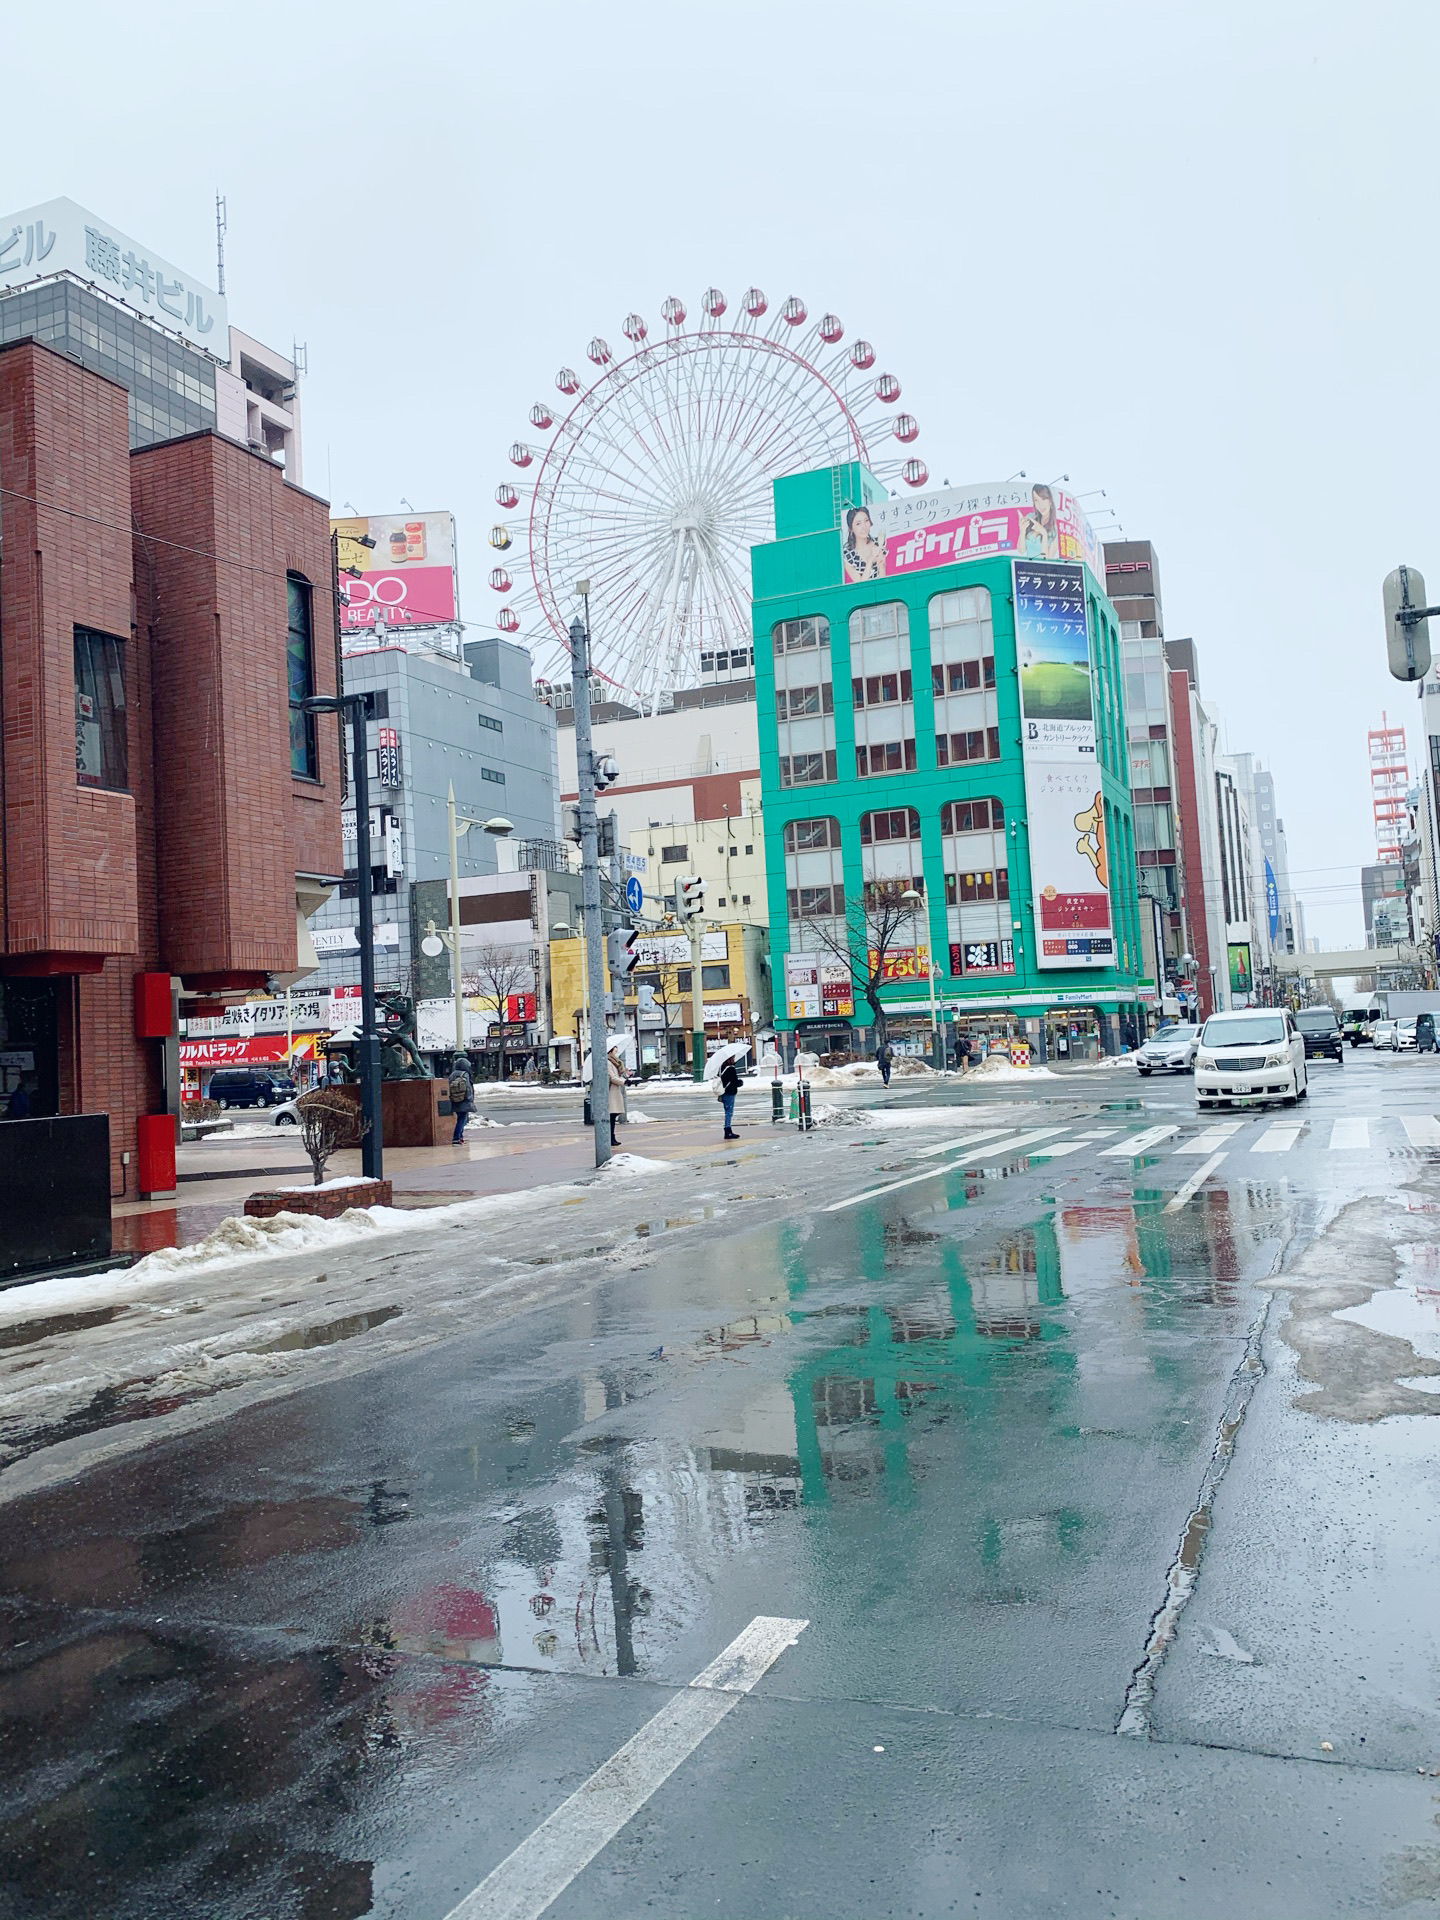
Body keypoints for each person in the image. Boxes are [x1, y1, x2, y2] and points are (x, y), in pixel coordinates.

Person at [841, 505, 885, 582]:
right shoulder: (848, 555)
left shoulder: (879, 542)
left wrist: (881, 565)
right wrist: (871, 559)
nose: (864, 527)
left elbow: (884, 580)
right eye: (858, 524)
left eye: (866, 520)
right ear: (851, 528)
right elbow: (861, 584)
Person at [1020, 482, 1060, 559]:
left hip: (1041, 570)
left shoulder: (1056, 529)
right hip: (1025, 568)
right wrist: (1022, 532)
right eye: (1036, 500)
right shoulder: (1030, 517)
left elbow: (1047, 560)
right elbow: (1021, 550)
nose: (1040, 504)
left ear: (1050, 501)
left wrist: (1044, 533)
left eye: (1043, 499)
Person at [448, 1053, 474, 1144]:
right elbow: (468, 1088)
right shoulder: (465, 1074)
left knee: (460, 1118)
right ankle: (456, 1137)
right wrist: (470, 1099)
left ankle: (460, 1137)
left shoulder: (452, 1074)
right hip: (464, 1100)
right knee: (462, 1119)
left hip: (455, 1099)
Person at [718, 1052, 742, 1140]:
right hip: (730, 1092)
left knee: (727, 1111)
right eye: (733, 1058)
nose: (734, 1059)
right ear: (729, 1059)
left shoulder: (721, 1068)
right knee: (729, 1113)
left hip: (723, 1092)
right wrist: (740, 1083)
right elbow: (734, 1082)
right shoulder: (731, 1069)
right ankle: (728, 1130)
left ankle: (728, 1130)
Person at [606, 1045, 627, 1147]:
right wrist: (624, 1081)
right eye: (615, 1049)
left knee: (613, 1116)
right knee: (611, 1115)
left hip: (614, 1091)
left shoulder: (614, 1062)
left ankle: (612, 1137)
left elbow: (616, 1075)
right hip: (610, 1091)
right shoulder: (607, 1062)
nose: (616, 1051)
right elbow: (612, 1078)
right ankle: (610, 1137)